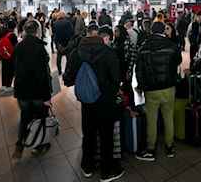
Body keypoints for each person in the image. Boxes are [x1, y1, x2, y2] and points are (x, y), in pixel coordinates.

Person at [64, 26, 124, 182]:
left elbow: (69, 77)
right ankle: (107, 171)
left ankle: (87, 166)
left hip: (87, 102)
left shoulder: (78, 52)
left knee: (88, 133)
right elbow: (117, 78)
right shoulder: (108, 53)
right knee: (106, 135)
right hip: (105, 102)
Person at [134, 22, 182, 162]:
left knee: (151, 120)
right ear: (164, 31)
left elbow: (139, 71)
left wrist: (142, 87)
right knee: (168, 117)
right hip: (168, 88)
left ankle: (151, 149)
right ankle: (169, 147)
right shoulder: (171, 47)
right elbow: (177, 61)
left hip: (151, 90)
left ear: (151, 32)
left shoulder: (143, 48)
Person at [12, 19, 52, 159]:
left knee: (25, 117)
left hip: (21, 92)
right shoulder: (39, 48)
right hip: (36, 93)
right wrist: (47, 97)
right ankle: (37, 146)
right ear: (38, 31)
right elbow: (42, 76)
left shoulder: (18, 47)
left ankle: (20, 145)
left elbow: (14, 69)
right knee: (39, 119)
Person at [112, 25, 137, 105]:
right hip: (117, 68)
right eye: (115, 31)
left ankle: (130, 105)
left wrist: (129, 71)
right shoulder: (115, 42)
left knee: (127, 87)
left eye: (118, 31)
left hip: (125, 67)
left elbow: (132, 57)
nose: (116, 33)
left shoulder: (128, 42)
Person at [0, 20, 18, 96]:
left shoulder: (2, 32)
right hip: (10, 56)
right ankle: (8, 85)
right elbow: (16, 47)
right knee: (10, 70)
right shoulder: (13, 35)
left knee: (4, 69)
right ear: (14, 27)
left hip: (3, 54)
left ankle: (3, 85)